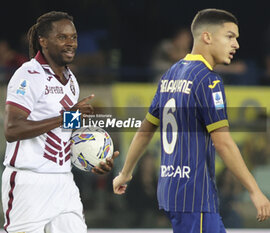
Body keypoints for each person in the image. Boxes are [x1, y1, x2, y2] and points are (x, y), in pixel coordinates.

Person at [113, 8, 270, 232]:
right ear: (207, 36)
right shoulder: (208, 80)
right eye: (229, 36)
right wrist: (255, 191)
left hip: (170, 189)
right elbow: (223, 143)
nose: (235, 44)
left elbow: (145, 130)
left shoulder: (170, 74)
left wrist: (125, 173)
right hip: (194, 195)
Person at [2, 11, 118, 233]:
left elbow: (64, 130)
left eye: (73, 37)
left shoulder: (71, 80)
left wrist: (93, 157)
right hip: (28, 182)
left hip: (63, 181)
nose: (71, 43)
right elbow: (11, 129)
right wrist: (65, 117)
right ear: (42, 41)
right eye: (62, 37)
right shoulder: (27, 75)